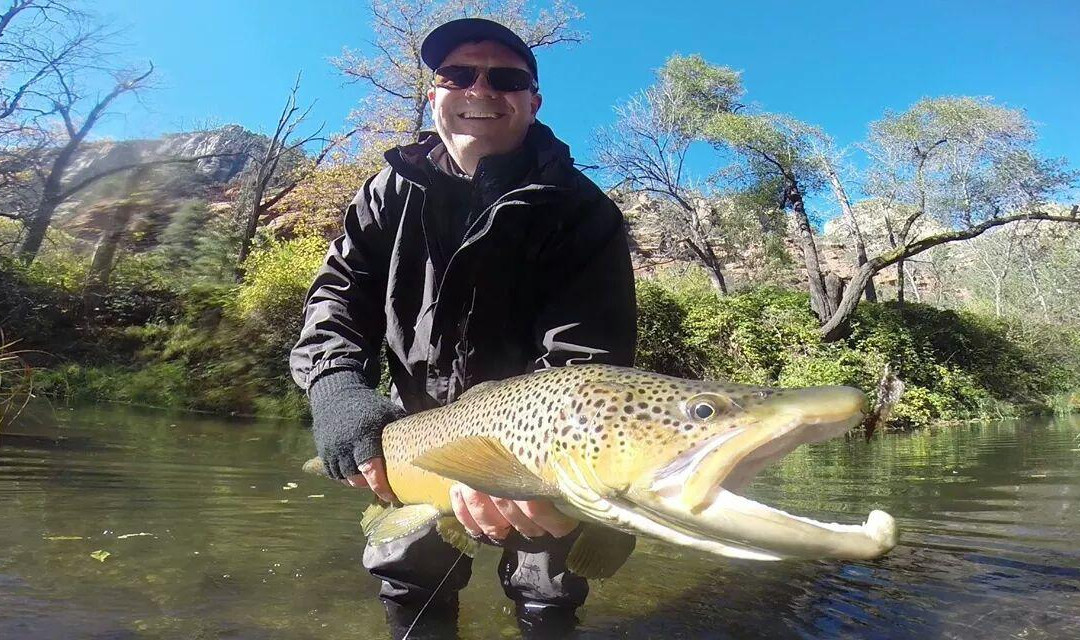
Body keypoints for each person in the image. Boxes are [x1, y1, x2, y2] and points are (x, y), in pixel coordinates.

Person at [290, 17, 636, 639]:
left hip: (539, 441)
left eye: (505, 79)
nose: (480, 89)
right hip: (415, 425)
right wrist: (335, 388)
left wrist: (512, 467)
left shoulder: (584, 213)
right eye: (458, 74)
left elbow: (585, 360)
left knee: (547, 585)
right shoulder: (385, 193)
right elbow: (339, 298)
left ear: (534, 100)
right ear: (434, 93)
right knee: (409, 573)